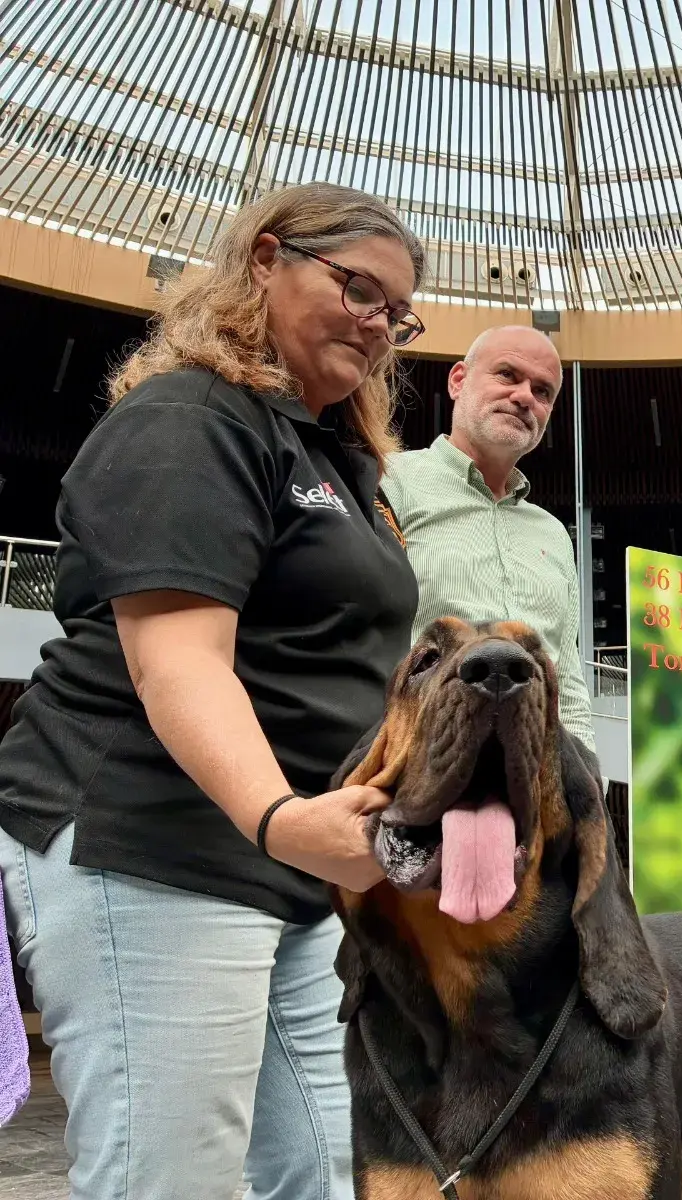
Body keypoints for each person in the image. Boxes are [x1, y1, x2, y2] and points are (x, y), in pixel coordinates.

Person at [0, 182, 424, 1198]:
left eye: (396, 314)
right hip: (156, 841)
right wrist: (282, 816)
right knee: (172, 1181)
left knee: (331, 1170)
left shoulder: (339, 459)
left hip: (291, 876)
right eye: (356, 289)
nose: (376, 326)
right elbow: (177, 661)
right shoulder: (192, 416)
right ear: (268, 258)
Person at [380, 324, 596, 753]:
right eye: (507, 375)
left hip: (532, 769)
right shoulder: (390, 480)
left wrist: (589, 779)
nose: (523, 397)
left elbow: (567, 677)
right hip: (423, 758)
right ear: (458, 380)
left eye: (543, 391)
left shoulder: (553, 534)